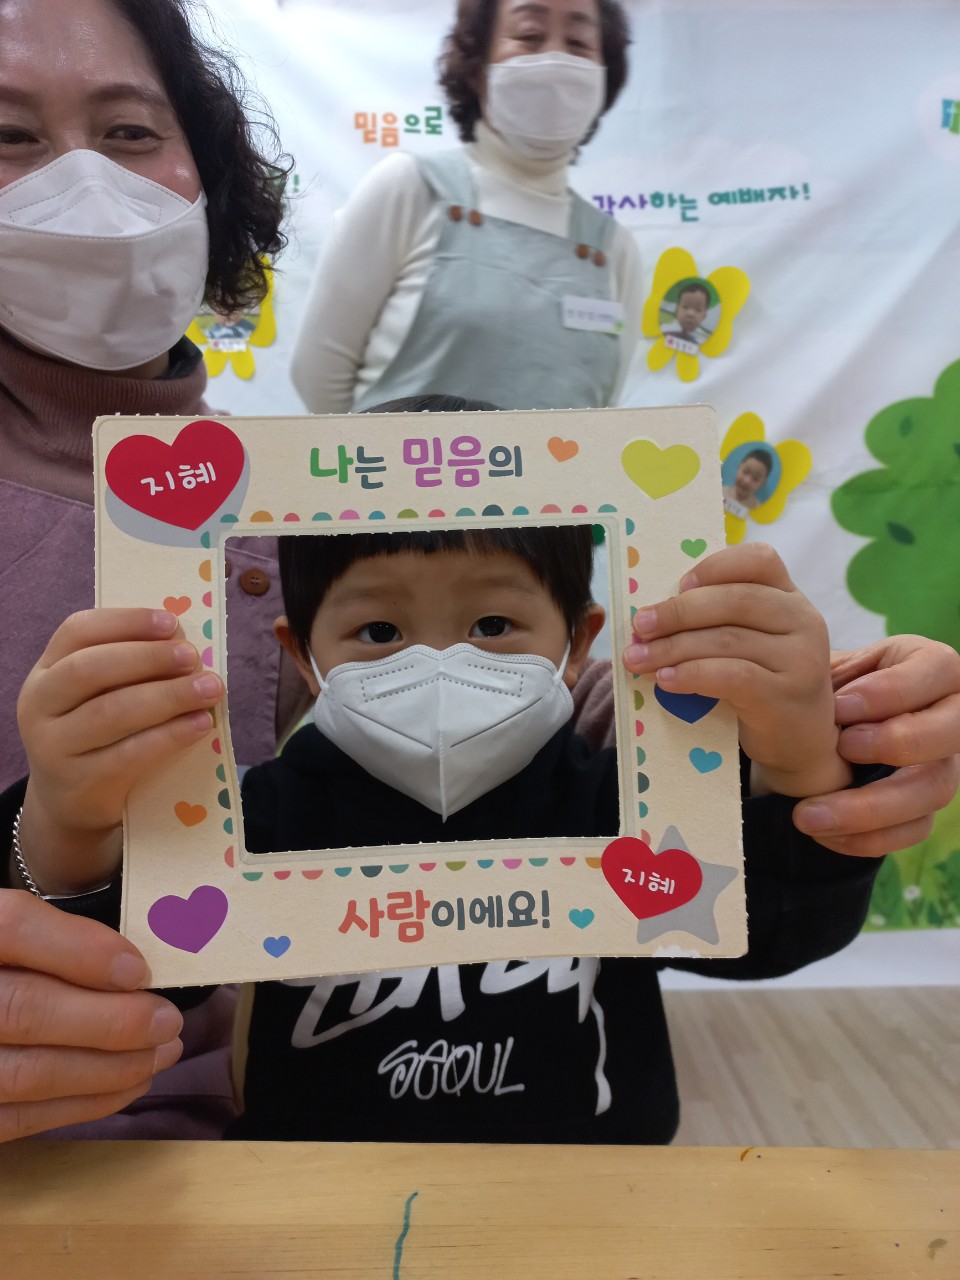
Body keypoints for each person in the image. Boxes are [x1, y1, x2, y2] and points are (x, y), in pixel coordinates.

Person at [0, 0, 290, 1139]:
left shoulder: (285, 515)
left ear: (205, 174)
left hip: (231, 1157)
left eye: (129, 133)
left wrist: (766, 760)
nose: (85, 187)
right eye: (9, 137)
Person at [290, 0, 643, 413]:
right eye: (530, 35)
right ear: (478, 67)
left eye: (579, 42)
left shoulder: (614, 249)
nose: (555, 58)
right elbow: (319, 377)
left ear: (605, 77)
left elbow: (603, 414)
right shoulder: (409, 189)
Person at [722, 448, 774, 513]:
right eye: (745, 471)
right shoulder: (720, 492)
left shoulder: (758, 510)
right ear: (739, 467)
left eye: (755, 479)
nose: (747, 481)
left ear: (762, 482)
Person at [662, 281, 711, 348]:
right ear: (676, 309)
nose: (690, 313)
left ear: (704, 315)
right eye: (685, 307)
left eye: (698, 309)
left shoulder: (703, 342)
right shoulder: (664, 329)